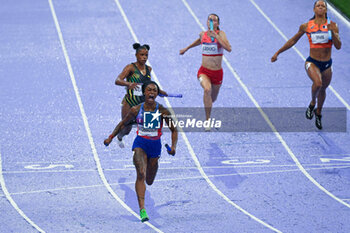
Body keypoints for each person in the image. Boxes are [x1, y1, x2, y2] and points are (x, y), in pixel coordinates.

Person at [104, 81, 178, 223]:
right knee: (141, 174)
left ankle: (147, 183)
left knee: (149, 180)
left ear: (157, 94)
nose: (151, 92)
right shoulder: (136, 109)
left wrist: (173, 147)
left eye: (154, 90)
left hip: (155, 146)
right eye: (149, 90)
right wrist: (111, 137)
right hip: (140, 143)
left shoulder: (162, 111)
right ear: (144, 93)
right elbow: (123, 123)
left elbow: (174, 129)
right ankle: (142, 210)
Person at [271, 0, 341, 129]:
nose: (320, 7)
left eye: (323, 6)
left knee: (323, 89)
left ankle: (318, 112)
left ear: (326, 10)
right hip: (312, 62)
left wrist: (333, 34)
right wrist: (278, 52)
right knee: (318, 84)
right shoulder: (306, 26)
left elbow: (338, 46)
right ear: (314, 10)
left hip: (327, 64)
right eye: (318, 6)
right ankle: (312, 102)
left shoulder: (333, 25)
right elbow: (293, 40)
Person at [179, 13, 231, 131]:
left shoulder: (221, 34)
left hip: (217, 73)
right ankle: (207, 121)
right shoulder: (203, 34)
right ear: (207, 22)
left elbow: (229, 48)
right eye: (209, 20)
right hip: (204, 71)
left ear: (218, 24)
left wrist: (216, 37)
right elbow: (199, 41)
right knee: (207, 90)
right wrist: (186, 48)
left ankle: (208, 107)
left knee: (212, 99)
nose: (211, 22)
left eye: (214, 20)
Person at [114, 43, 167, 147]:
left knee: (151, 127)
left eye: (146, 55)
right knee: (126, 129)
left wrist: (159, 91)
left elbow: (148, 84)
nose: (144, 57)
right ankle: (119, 137)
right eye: (141, 55)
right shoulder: (130, 68)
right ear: (136, 55)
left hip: (143, 104)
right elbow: (117, 80)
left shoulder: (149, 69)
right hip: (130, 103)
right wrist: (128, 83)